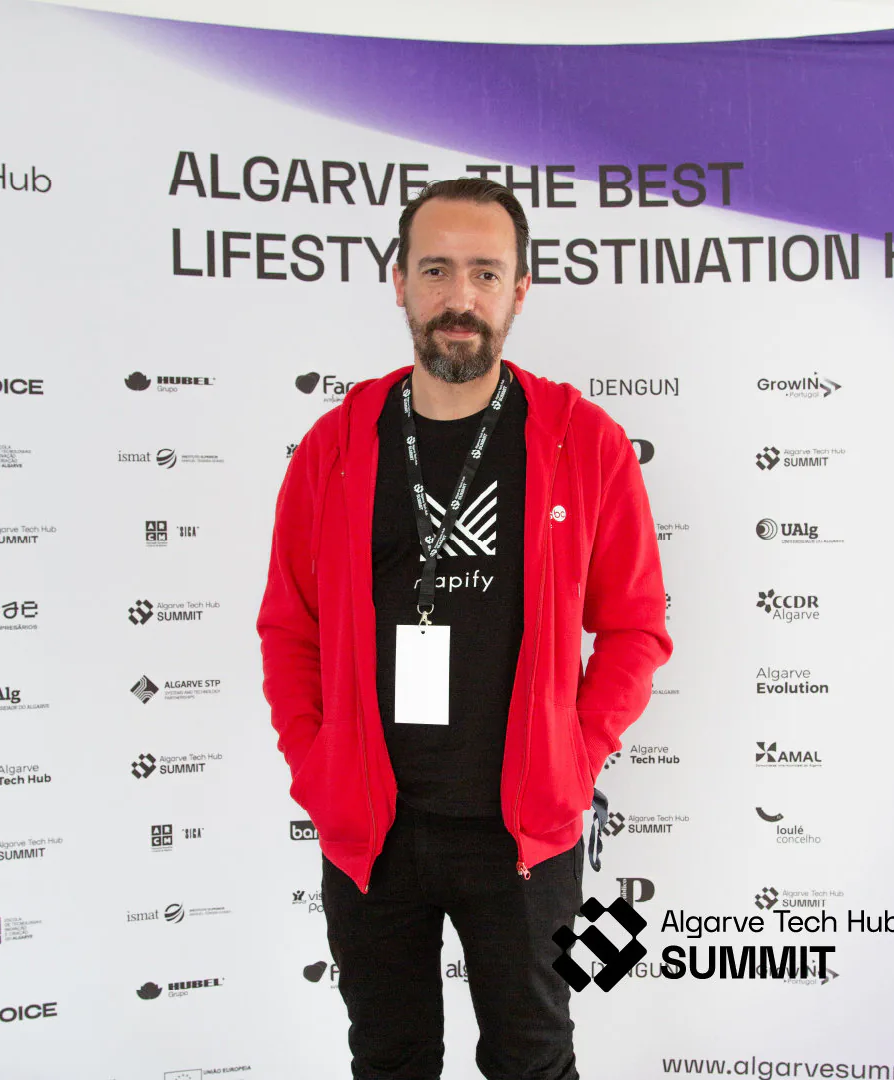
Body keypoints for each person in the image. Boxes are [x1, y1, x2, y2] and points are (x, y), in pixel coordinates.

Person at [257, 177, 672, 1080]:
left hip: (524, 838)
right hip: (373, 828)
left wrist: (574, 748)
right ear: (399, 279)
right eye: (437, 269)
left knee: (534, 1057)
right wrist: (315, 764)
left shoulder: (584, 441)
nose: (460, 297)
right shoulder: (334, 445)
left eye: (486, 273)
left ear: (520, 289)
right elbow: (290, 629)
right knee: (390, 1058)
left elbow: (637, 629)